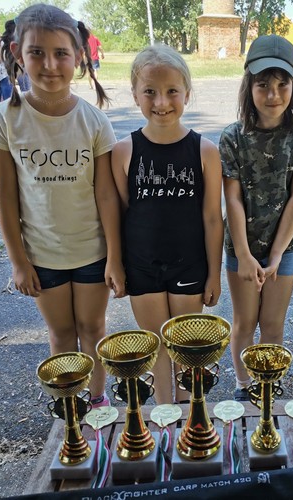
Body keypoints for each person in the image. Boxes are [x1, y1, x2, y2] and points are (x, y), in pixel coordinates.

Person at [0, 4, 125, 408]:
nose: (49, 65)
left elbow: (106, 195)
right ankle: (70, 406)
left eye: (61, 53)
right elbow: (6, 196)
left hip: (92, 252)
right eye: (37, 53)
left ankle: (97, 402)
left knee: (93, 328)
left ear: (79, 56)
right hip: (42, 256)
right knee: (62, 334)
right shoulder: (5, 119)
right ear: (18, 53)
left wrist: (114, 257)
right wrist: (19, 262)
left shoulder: (94, 121)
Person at [111, 44, 223, 405]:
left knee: (186, 350)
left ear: (187, 93)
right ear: (135, 95)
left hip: (189, 264)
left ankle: (192, 419)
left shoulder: (205, 151)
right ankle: (164, 417)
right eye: (150, 91)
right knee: (157, 347)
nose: (161, 102)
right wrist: (117, 263)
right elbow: (124, 212)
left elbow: (212, 218)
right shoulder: (123, 151)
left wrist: (215, 274)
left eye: (172, 91)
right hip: (142, 266)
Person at [220, 35, 293, 401]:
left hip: (287, 246)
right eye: (263, 84)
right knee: (245, 322)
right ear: (249, 86)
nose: (273, 95)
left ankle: (267, 386)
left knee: (273, 324)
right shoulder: (232, 137)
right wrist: (245, 255)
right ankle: (244, 386)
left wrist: (277, 254)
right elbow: (232, 199)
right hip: (242, 246)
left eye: (283, 85)